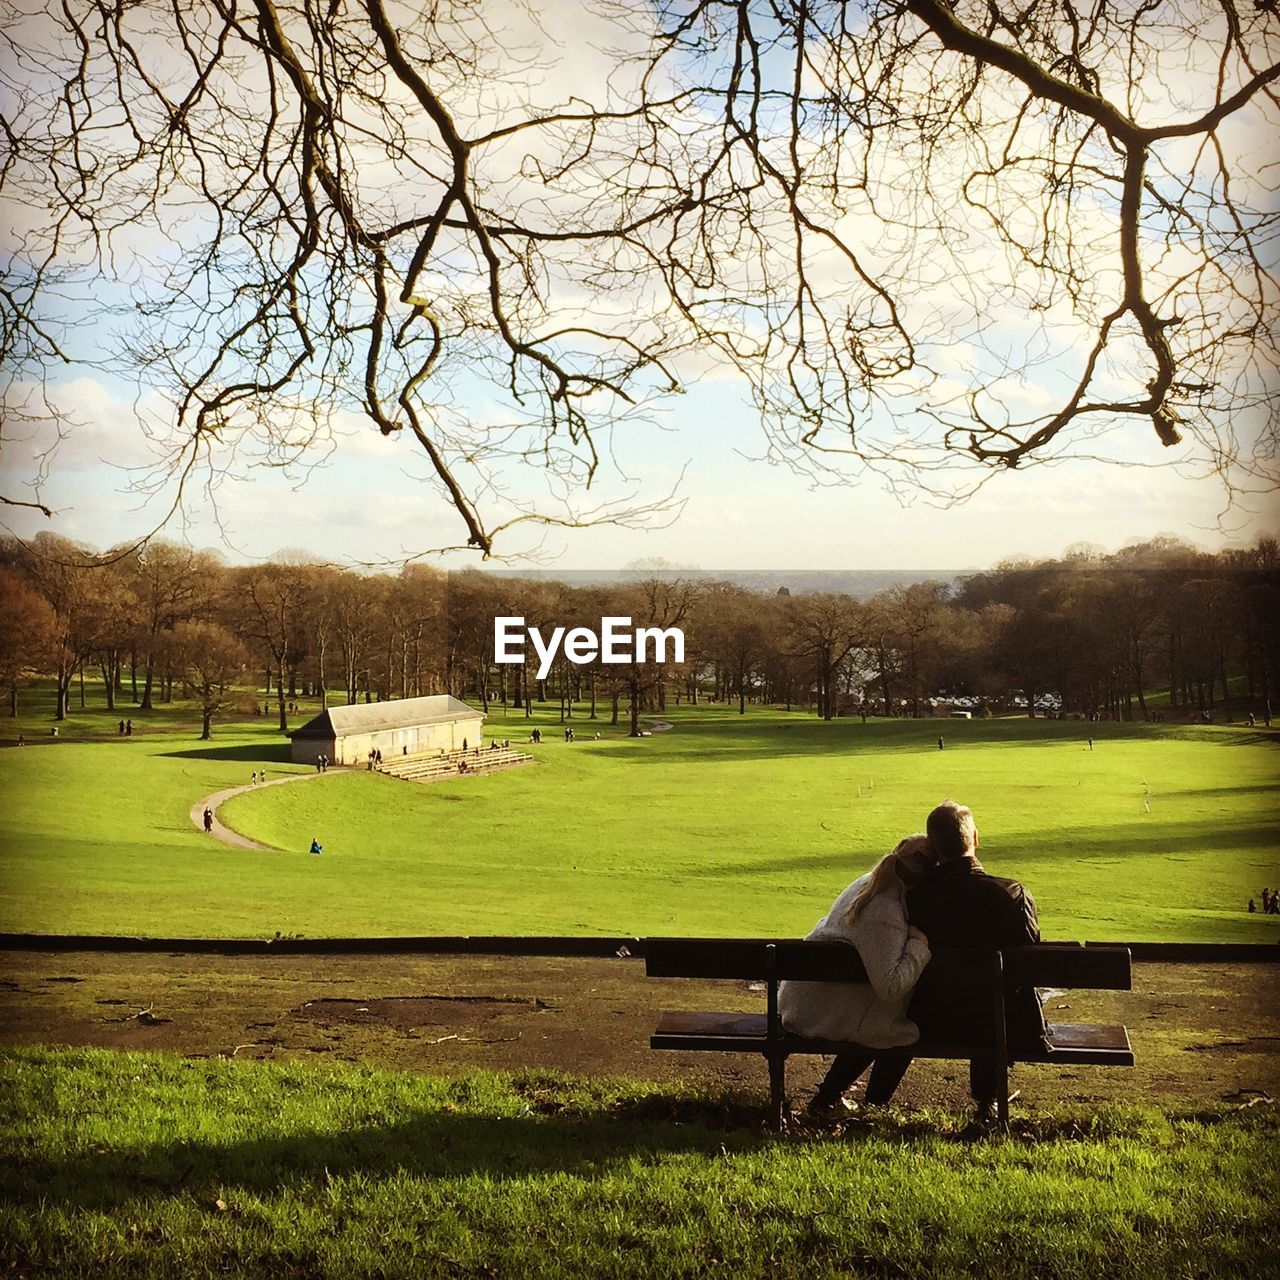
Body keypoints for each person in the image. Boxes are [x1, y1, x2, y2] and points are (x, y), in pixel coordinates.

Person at [880, 800, 1043, 1123]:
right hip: (1001, 1025)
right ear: (976, 839)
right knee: (995, 995)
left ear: (935, 849)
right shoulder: (1012, 895)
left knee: (973, 995)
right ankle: (986, 1102)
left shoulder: (915, 899)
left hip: (931, 1021)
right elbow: (1029, 964)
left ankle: (875, 1099)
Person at [782, 835, 936, 1116]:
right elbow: (889, 986)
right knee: (905, 1026)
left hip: (806, 998)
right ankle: (875, 1106)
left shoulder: (868, 883)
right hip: (817, 1011)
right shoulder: (885, 910)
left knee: (884, 1018)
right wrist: (918, 946)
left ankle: (830, 1096)